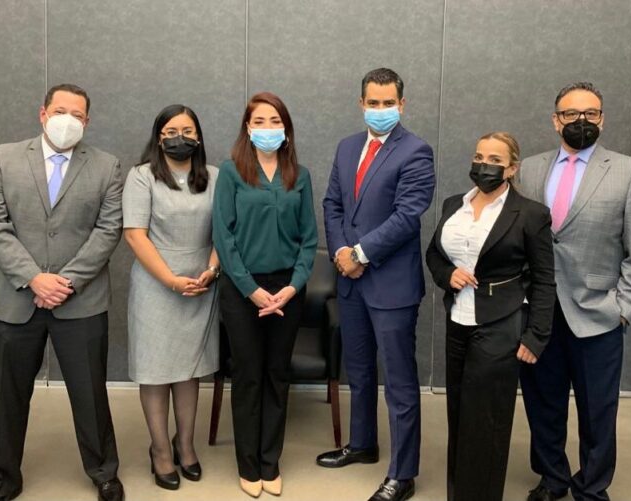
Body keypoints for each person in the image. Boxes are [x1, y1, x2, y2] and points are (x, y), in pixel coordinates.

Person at [0, 84, 124, 501]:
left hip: (81, 300)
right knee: (9, 397)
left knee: (90, 394)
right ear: (42, 113)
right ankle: (3, 479)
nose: (67, 120)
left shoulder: (107, 166)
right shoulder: (3, 158)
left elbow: (108, 229)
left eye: (77, 115)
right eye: (60, 111)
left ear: (87, 122)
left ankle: (104, 473)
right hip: (15, 299)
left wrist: (66, 281)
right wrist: (33, 277)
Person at [518, 82, 631, 501]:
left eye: (590, 113)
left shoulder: (630, 171)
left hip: (598, 313)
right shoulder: (529, 170)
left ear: (602, 119)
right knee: (543, 403)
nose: (581, 120)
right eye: (571, 114)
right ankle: (552, 478)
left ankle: (592, 488)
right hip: (539, 311)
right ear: (555, 119)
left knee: (598, 411)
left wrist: (624, 308)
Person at [318, 68, 435, 501]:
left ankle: (403, 474)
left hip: (391, 286)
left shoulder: (416, 151)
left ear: (401, 105)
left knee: (399, 383)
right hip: (351, 283)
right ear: (361, 103)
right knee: (360, 371)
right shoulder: (347, 147)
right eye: (373, 102)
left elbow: (407, 216)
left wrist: (360, 254)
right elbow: (333, 204)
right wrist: (340, 252)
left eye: (388, 103)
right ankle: (363, 444)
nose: (380, 109)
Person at [425, 132, 556, 501]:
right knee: (459, 415)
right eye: (479, 156)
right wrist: (447, 274)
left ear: (512, 168)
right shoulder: (454, 204)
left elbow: (544, 279)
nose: (484, 165)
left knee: (486, 421)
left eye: (495, 160)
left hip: (501, 323)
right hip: (457, 321)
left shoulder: (530, 214)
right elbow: (434, 254)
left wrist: (536, 336)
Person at [212, 91, 317, 498]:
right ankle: (248, 464)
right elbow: (224, 236)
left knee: (277, 374)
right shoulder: (231, 172)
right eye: (259, 121)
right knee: (248, 376)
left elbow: (309, 240)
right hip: (243, 290)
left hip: (287, 291)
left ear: (286, 129)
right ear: (247, 127)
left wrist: (292, 287)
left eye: (275, 121)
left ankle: (270, 461)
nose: (267, 128)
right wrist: (252, 290)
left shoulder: (299, 176)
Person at [122, 104, 220, 490]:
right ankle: (161, 450)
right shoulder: (141, 176)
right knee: (156, 371)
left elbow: (225, 231)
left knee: (189, 370)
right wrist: (171, 280)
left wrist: (212, 269)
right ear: (158, 137)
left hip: (202, 283)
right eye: (172, 131)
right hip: (156, 286)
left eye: (188, 130)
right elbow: (135, 235)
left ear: (199, 136)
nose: (181, 137)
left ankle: (186, 444)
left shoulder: (215, 176)